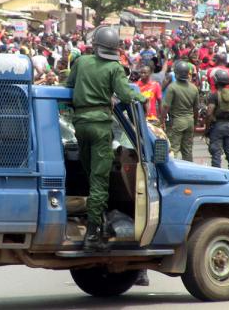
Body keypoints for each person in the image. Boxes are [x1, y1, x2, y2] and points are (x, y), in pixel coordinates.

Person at [66, 26, 146, 251]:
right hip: (101, 127)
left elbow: (68, 87)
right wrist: (141, 97)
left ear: (95, 44)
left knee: (90, 174)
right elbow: (126, 95)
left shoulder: (80, 62)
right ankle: (92, 235)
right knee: (100, 180)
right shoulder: (114, 68)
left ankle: (98, 220)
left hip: (80, 126)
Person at [205, 69, 229, 170]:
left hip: (217, 125)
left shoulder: (214, 95)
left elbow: (209, 113)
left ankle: (217, 176)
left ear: (216, 81)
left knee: (216, 153)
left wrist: (207, 128)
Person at [161, 61, 199, 162]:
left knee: (173, 149)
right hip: (189, 121)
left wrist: (162, 120)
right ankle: (189, 174)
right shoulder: (194, 88)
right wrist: (195, 122)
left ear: (176, 73)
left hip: (177, 121)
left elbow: (165, 106)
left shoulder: (172, 87)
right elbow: (196, 108)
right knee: (187, 150)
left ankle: (173, 174)